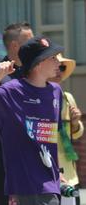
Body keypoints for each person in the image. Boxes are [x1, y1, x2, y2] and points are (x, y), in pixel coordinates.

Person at [0, 36, 64, 204]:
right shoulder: (12, 91)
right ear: (38, 63)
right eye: (52, 58)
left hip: (50, 183)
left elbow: (51, 139)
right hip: (26, 184)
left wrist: (59, 172)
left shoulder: (56, 91)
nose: (58, 62)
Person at [0, 22, 33, 205]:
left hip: (27, 153)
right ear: (15, 45)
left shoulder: (31, 73)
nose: (33, 44)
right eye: (29, 40)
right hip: (1, 155)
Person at [52, 55, 82, 204]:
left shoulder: (67, 97)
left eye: (62, 67)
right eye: (56, 66)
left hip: (70, 172)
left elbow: (76, 134)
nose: (59, 71)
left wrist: (75, 123)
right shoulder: (38, 97)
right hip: (50, 172)